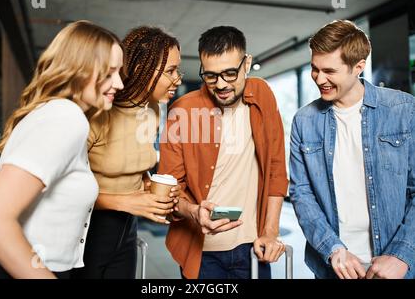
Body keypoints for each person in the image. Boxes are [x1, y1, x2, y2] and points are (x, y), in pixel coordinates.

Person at [0, 20, 124, 279]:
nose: (119, 83)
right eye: (108, 73)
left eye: (119, 72)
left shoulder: (52, 113)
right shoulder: (65, 117)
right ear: (79, 70)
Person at [158, 26, 288, 279]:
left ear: (247, 63)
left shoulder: (262, 95)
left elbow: (275, 169)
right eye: (210, 76)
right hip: (202, 253)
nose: (221, 84)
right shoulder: (183, 110)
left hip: (252, 248)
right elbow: (169, 188)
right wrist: (194, 212)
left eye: (230, 73)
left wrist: (270, 232)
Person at [289, 19, 415, 279]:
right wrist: (333, 248)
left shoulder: (404, 111)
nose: (319, 78)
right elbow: (302, 193)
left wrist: (403, 254)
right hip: (334, 266)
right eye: (314, 69)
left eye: (329, 71)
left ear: (358, 66)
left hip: (396, 267)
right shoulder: (304, 121)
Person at [72, 26, 183, 279]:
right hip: (87, 231)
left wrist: (148, 184)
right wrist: (127, 201)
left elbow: (132, 158)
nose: (177, 79)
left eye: (177, 70)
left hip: (128, 229)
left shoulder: (154, 109)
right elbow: (65, 190)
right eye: (170, 71)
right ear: (140, 68)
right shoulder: (96, 113)